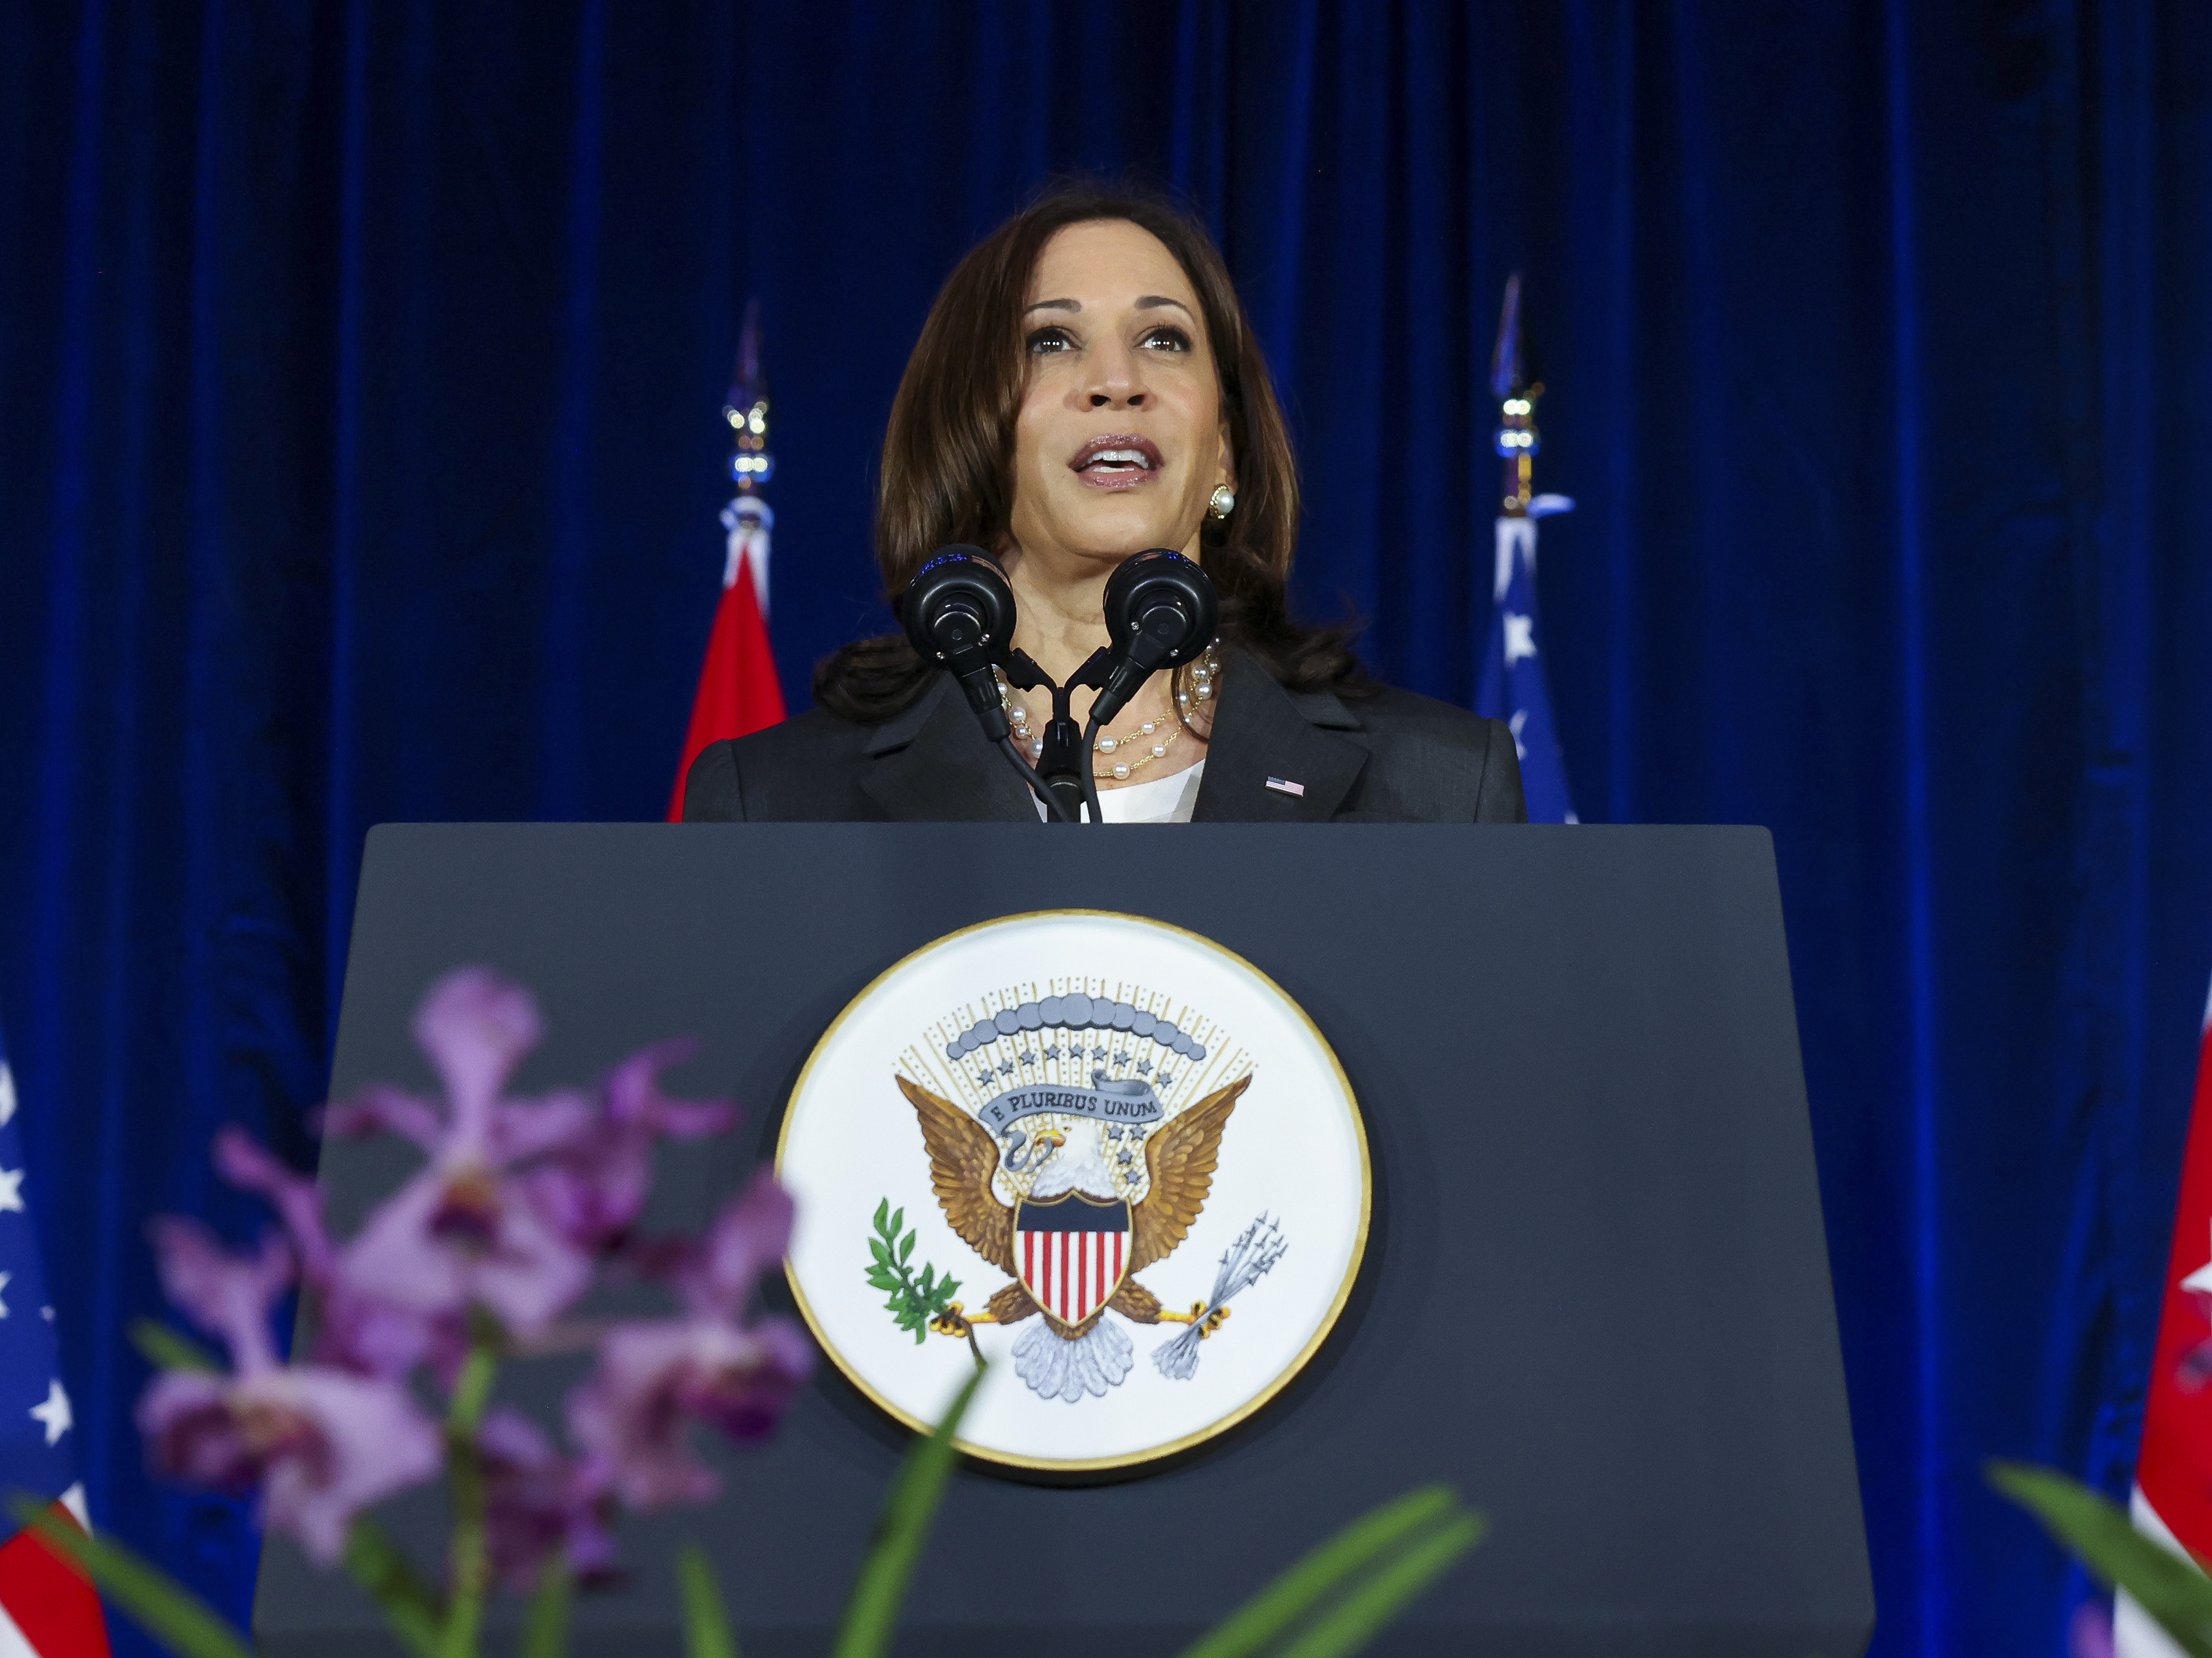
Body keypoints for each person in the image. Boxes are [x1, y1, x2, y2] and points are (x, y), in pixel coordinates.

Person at [682, 186, 1526, 824]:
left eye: (1164, 339)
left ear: (1225, 449)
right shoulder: (777, 803)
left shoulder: (1444, 791)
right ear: (970, 433)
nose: (1118, 382)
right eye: (1051, 341)